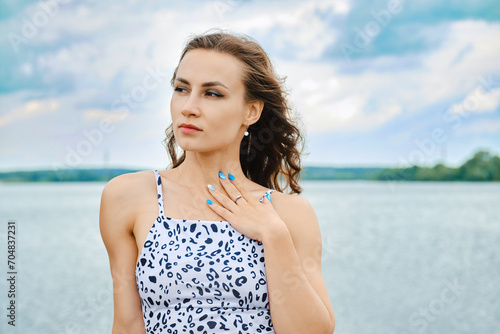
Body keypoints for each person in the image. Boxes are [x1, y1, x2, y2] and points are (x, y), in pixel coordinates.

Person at [99, 31, 335, 334]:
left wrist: (273, 234)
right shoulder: (128, 197)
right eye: (182, 89)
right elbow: (128, 324)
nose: (189, 106)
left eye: (213, 93)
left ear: (251, 111)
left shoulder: (290, 215)